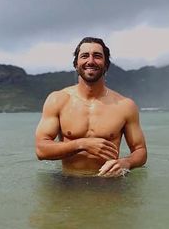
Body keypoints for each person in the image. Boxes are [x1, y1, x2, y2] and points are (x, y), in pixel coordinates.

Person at [35, 37, 147, 177]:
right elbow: (41, 150)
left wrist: (126, 162)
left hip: (109, 185)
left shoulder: (125, 106)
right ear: (76, 64)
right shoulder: (57, 100)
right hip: (68, 183)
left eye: (97, 56)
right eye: (85, 56)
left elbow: (140, 151)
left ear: (106, 65)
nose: (91, 61)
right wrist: (82, 144)